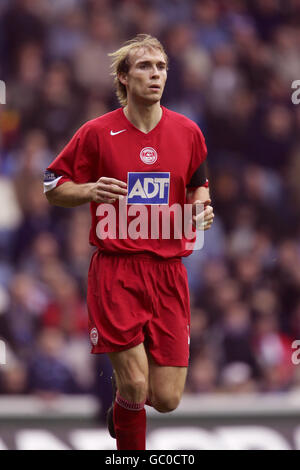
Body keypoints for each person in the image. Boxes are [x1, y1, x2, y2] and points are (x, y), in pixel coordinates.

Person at [44, 34, 214, 450]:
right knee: (136, 382)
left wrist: (201, 208)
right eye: (144, 66)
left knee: (167, 398)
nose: (155, 74)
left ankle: (122, 409)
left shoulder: (188, 131)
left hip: (169, 273)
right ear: (123, 77)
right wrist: (88, 191)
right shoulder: (98, 133)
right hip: (117, 270)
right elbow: (52, 185)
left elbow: (200, 186)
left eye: (161, 67)